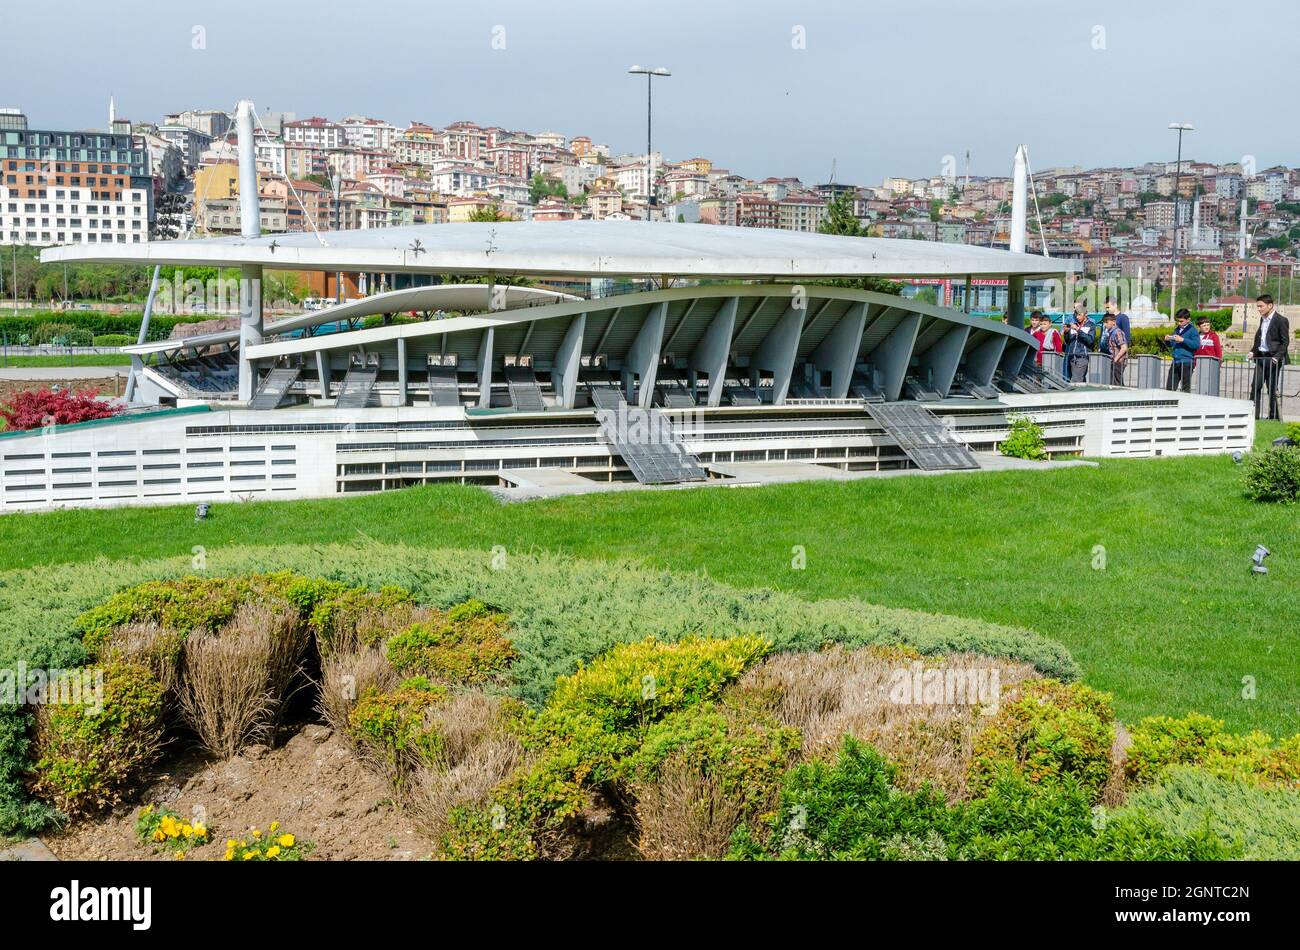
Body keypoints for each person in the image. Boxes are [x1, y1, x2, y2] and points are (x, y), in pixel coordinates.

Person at [1249, 293, 1290, 420]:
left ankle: (1273, 416)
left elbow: (1285, 342)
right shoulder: (1262, 319)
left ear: (1270, 305)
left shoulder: (1281, 320)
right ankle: (1253, 415)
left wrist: (1277, 357)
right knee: (1256, 386)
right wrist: (1253, 351)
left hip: (1273, 360)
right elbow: (1259, 338)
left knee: (1272, 389)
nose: (1259, 309)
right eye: (1258, 306)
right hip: (1261, 358)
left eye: (1261, 306)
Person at [1164, 308, 1201, 392]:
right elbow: (1172, 344)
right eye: (1178, 321)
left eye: (1181, 321)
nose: (1179, 323)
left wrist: (1183, 340)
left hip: (1187, 362)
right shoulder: (1176, 330)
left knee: (1185, 388)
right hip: (1176, 361)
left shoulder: (1193, 330)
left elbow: (1196, 345)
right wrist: (1167, 340)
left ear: (1188, 320)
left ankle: (1185, 404)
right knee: (1170, 387)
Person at [1063, 302, 1096, 382]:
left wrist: (1078, 330)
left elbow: (1090, 340)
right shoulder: (1073, 324)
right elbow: (1068, 341)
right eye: (1076, 314)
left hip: (1082, 357)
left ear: (1085, 315)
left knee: (1075, 381)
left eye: (1080, 315)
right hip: (1072, 357)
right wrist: (1066, 332)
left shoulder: (1091, 325)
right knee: (1080, 381)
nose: (1077, 317)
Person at [1102, 312, 1128, 385]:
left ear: (1113, 322)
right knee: (1115, 383)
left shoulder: (1117, 332)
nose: (1105, 325)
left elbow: (1124, 348)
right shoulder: (1112, 332)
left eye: (1106, 322)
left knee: (1117, 384)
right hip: (1116, 362)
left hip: (1118, 362)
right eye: (1104, 322)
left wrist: (1115, 359)